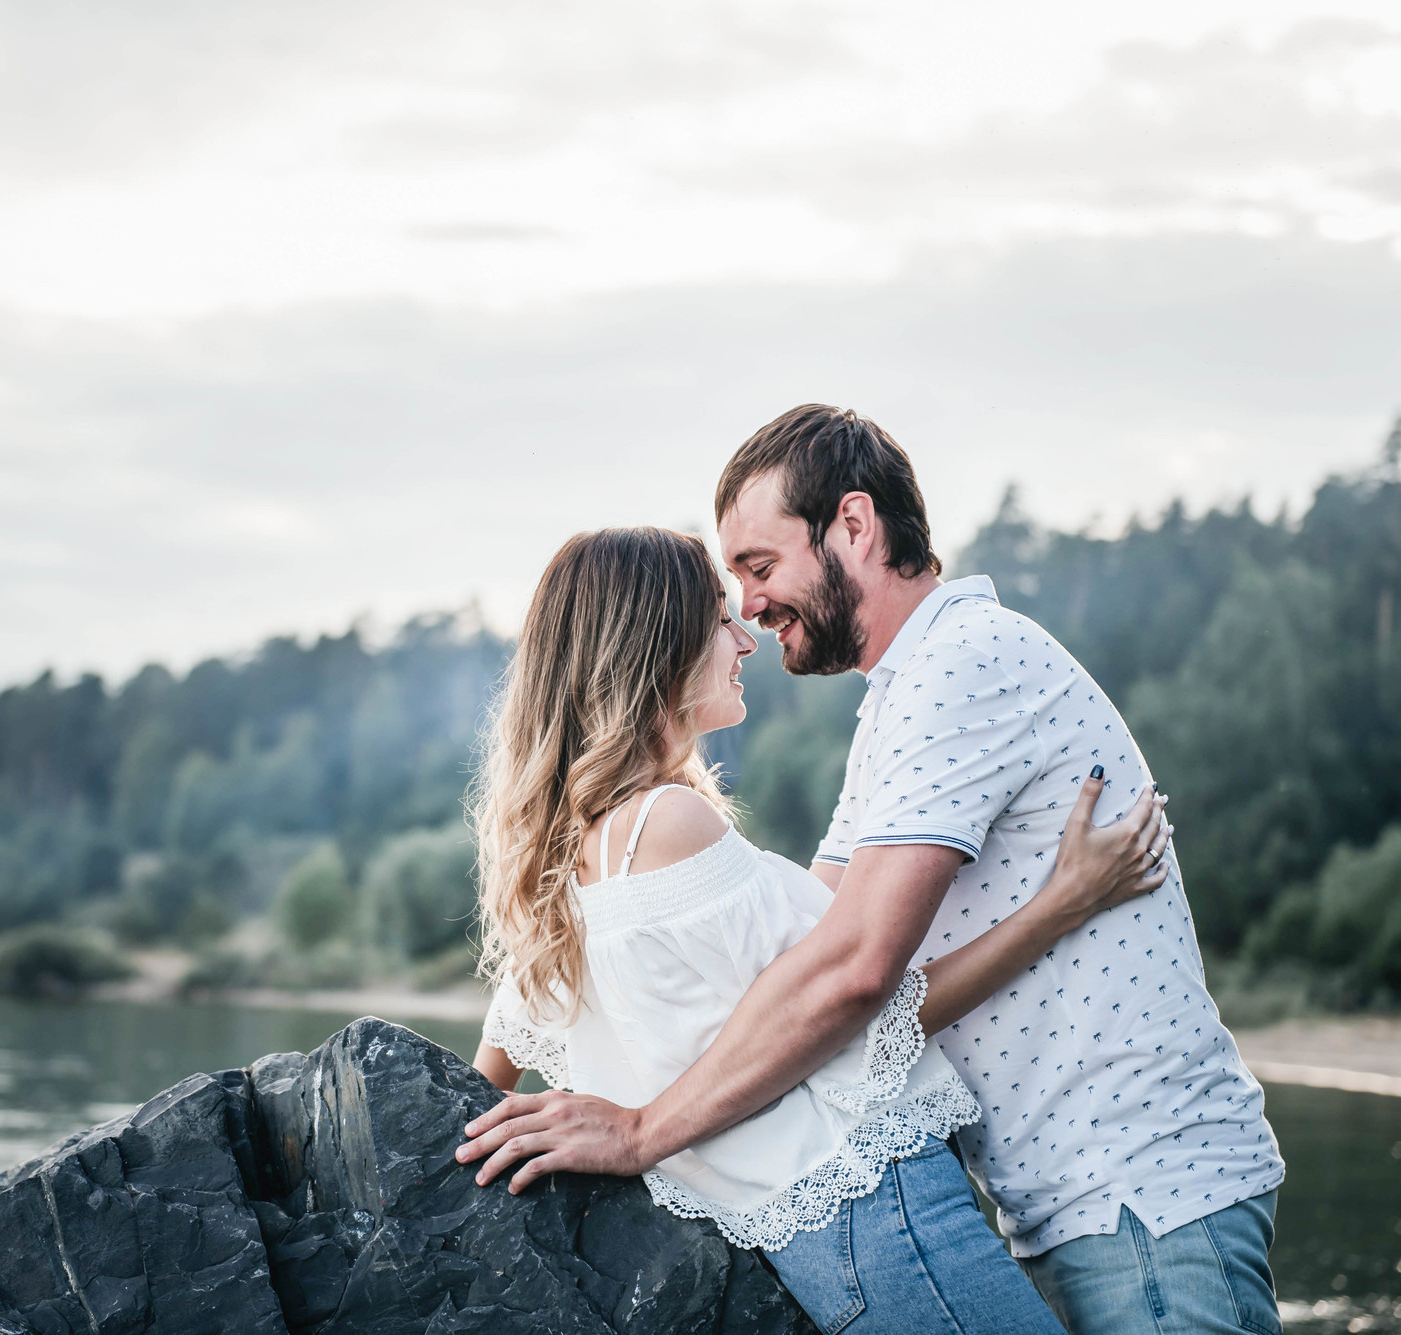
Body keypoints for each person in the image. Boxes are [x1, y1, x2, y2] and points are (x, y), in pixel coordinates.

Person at [458, 407, 1286, 1335]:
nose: (750, 614)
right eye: (729, 591)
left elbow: (849, 973)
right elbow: (811, 957)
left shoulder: (962, 664)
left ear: (854, 526)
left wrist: (639, 1128)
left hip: (1138, 1187)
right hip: (1059, 1199)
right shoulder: (895, 708)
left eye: (761, 569)